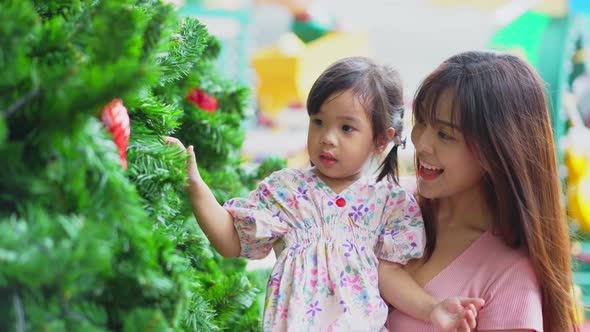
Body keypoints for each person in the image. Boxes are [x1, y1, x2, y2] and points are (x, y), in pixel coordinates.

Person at [166, 57, 483, 331]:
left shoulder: (389, 205)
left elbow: (390, 276)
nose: (327, 138)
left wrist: (433, 310)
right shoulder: (286, 193)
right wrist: (194, 185)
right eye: (318, 122)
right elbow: (230, 240)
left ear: (380, 140)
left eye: (347, 128)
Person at [384, 50, 579, 331]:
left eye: (445, 134)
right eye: (422, 121)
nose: (422, 143)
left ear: (497, 151)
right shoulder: (387, 201)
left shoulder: (511, 278)